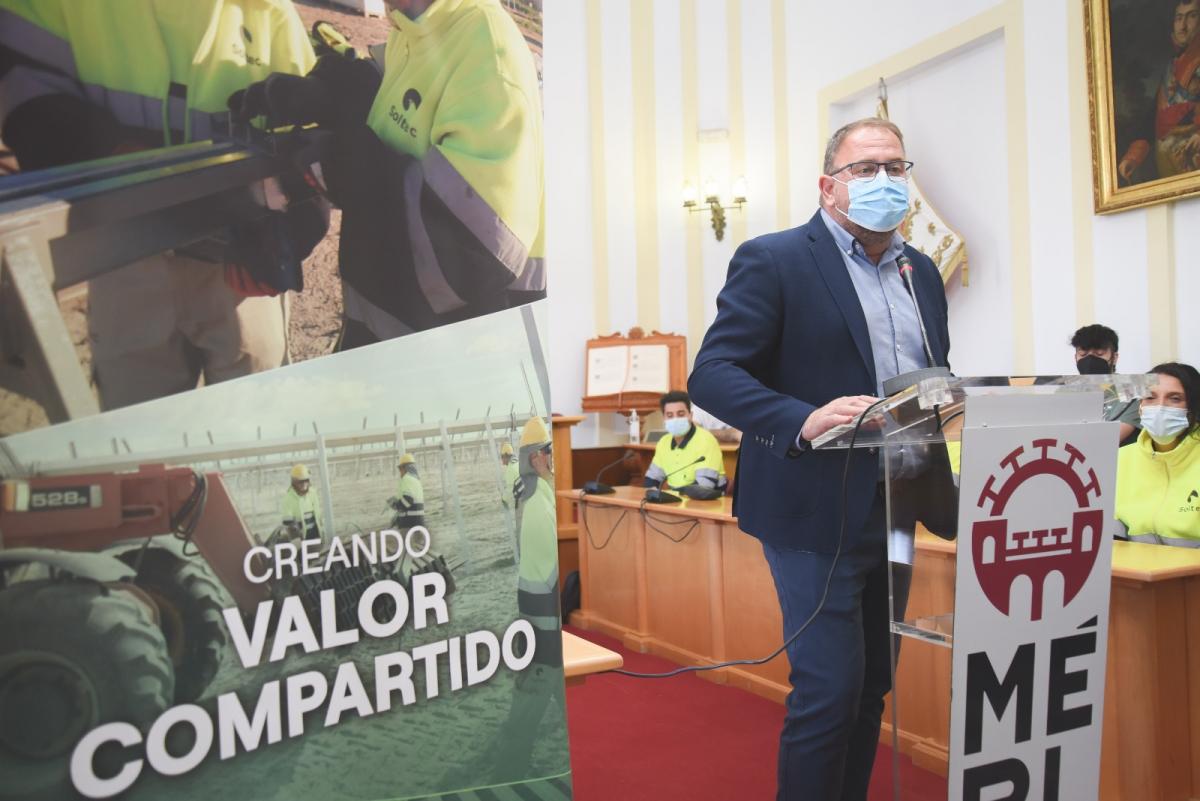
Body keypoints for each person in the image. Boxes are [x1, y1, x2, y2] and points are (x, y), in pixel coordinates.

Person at [688, 117, 950, 801]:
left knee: (870, 689)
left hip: (898, 504)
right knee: (830, 689)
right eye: (866, 169)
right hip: (813, 508)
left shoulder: (921, 271)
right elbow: (712, 374)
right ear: (828, 185)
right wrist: (800, 418)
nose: (885, 181)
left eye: (896, 166)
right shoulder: (775, 259)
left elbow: (928, 375)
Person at [0, 0, 325, 410]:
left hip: (240, 262)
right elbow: (26, 92)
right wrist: (122, 160)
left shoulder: (269, 10)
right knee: (141, 450)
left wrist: (294, 227)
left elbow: (310, 133)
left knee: (259, 425)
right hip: (122, 256)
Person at [229, 0, 545, 348]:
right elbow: (397, 98)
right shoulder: (419, 26)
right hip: (383, 326)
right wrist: (328, 91)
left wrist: (338, 166)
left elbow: (471, 253)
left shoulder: (487, 51)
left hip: (441, 355)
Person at [479, 415, 564, 782]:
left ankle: (512, 755)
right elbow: (551, 563)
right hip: (543, 611)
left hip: (539, 606)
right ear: (536, 458)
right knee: (534, 694)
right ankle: (508, 769)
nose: (553, 457)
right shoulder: (537, 504)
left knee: (553, 688)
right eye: (549, 452)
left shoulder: (534, 488)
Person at [1115, 362, 1200, 546]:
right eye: (1150, 397)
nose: (1160, 407)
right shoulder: (1121, 460)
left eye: (1175, 398)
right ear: (1140, 406)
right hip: (1135, 571)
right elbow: (1110, 540)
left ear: (1193, 408)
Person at [1117, 0, 1200, 183]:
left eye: (1192, 16)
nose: (1183, 26)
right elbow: (1153, 120)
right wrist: (1133, 156)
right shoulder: (1171, 68)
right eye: (1179, 18)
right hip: (1167, 167)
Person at [643, 390, 727, 492]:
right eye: (670, 415)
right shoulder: (663, 442)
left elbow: (704, 486)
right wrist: (652, 494)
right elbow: (651, 479)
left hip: (708, 502)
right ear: (664, 418)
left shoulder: (706, 440)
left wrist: (672, 497)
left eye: (681, 414)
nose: (675, 419)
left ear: (690, 415)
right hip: (676, 501)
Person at [1070, 323, 1141, 445]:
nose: (1090, 360)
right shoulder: (1064, 390)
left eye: (1099, 354)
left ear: (1115, 357)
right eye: (1083, 354)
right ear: (1075, 357)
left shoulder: (1132, 389)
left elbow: (1107, 440)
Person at [281, 463, 324, 545]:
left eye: (306, 480)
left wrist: (322, 534)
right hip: (301, 540)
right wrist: (297, 545)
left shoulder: (312, 493)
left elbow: (318, 516)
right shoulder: (288, 498)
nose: (304, 483)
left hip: (316, 536)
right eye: (300, 481)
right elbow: (288, 524)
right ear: (294, 482)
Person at [389, 452, 426, 531]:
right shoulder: (416, 480)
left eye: (400, 468)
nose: (400, 471)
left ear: (405, 468)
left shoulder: (407, 479)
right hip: (418, 522)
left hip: (410, 524)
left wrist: (395, 504)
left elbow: (407, 500)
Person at [500, 441, 520, 508]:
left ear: (506, 456)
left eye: (502, 456)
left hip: (522, 502)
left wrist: (504, 499)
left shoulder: (510, 469)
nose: (501, 460)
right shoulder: (518, 464)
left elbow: (510, 489)